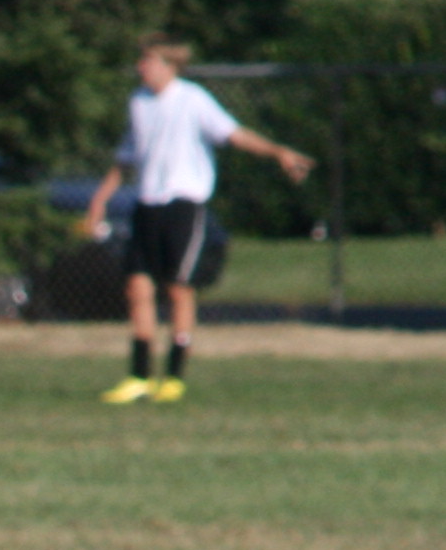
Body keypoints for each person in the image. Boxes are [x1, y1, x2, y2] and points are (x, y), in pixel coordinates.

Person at [86, 37, 310, 406]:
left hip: (183, 205)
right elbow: (125, 158)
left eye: (148, 61)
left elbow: (233, 134)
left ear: (169, 66)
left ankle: (173, 376)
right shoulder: (138, 102)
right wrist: (99, 200)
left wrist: (277, 152)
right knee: (137, 288)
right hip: (147, 204)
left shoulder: (192, 100)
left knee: (178, 288)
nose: (142, 68)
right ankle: (139, 377)